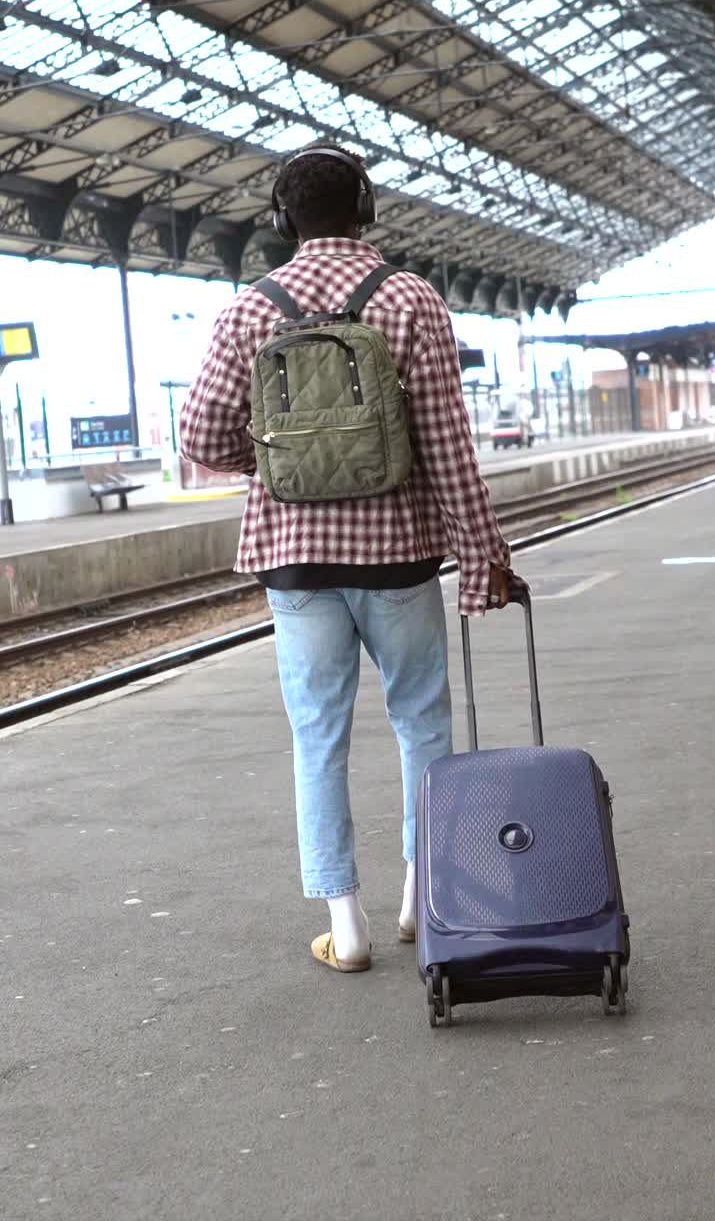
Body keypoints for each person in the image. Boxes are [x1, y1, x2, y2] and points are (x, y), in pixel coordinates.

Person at [180, 143, 517, 975]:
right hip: (397, 554)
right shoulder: (410, 300)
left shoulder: (249, 308)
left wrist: (281, 459)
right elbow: (446, 448)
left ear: (282, 219)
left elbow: (199, 434)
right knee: (421, 726)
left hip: (294, 557)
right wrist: (485, 560)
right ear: (365, 209)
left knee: (318, 737)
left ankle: (348, 924)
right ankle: (421, 903)